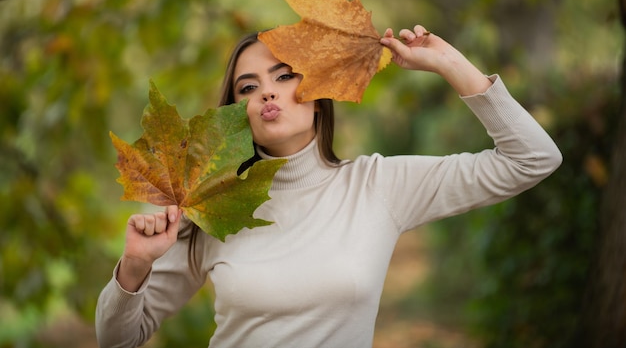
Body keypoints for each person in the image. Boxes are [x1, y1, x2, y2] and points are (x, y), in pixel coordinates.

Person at [95, 25, 562, 348]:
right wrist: (134, 266)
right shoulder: (210, 208)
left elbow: (533, 158)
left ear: (319, 98)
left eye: (284, 76)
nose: (266, 93)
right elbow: (117, 338)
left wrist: (449, 63)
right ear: (237, 113)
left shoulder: (378, 185)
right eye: (247, 87)